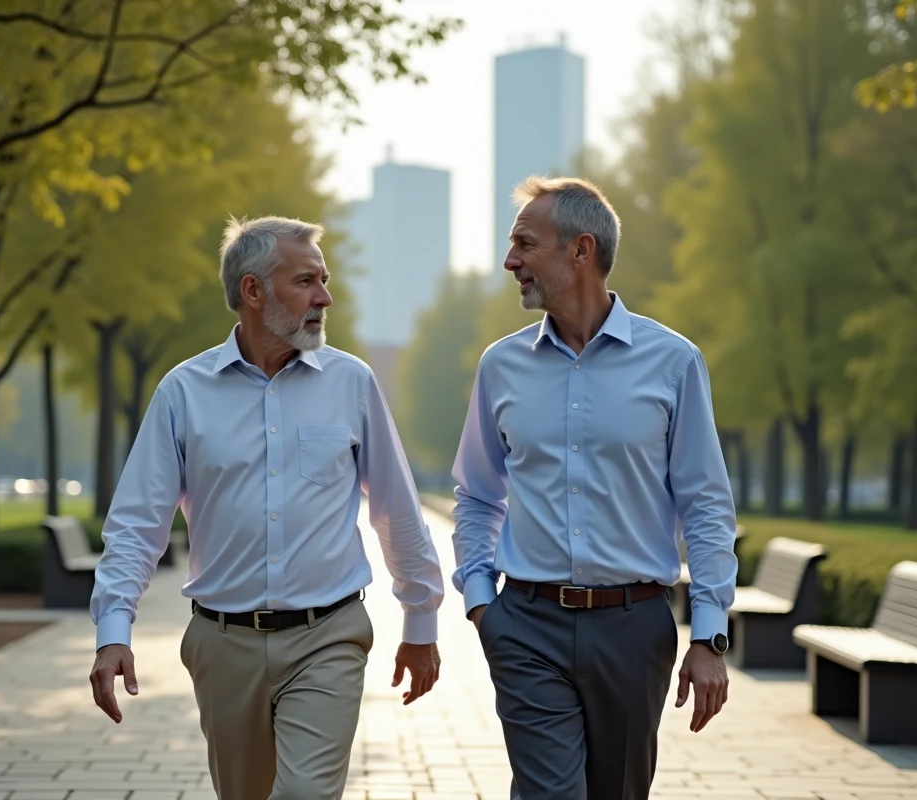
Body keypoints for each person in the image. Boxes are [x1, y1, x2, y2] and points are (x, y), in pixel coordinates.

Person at [88, 215, 445, 800]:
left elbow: (395, 508)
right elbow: (137, 524)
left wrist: (421, 620)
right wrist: (113, 631)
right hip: (221, 644)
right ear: (253, 291)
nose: (324, 297)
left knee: (305, 794)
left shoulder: (351, 383)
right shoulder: (184, 392)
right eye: (306, 281)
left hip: (327, 635)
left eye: (324, 280)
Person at [451, 176, 738, 800]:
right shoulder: (501, 366)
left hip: (633, 630)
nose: (511, 261)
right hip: (525, 627)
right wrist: (481, 603)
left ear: (581, 251)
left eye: (525, 243)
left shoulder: (674, 361)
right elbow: (477, 493)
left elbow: (706, 504)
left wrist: (710, 635)